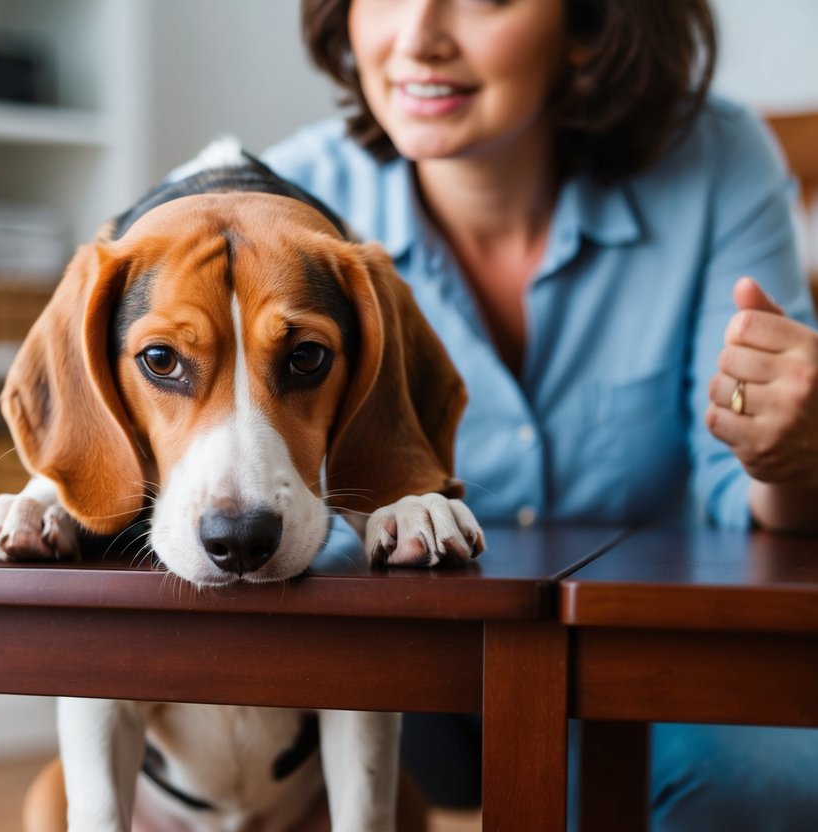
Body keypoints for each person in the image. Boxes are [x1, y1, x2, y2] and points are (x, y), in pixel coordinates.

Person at [260, 0, 818, 829]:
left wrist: (789, 455)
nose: (417, 38)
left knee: (766, 782)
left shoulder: (718, 160)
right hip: (378, 658)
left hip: (637, 662)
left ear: (591, 22)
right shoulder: (281, 203)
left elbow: (743, 506)